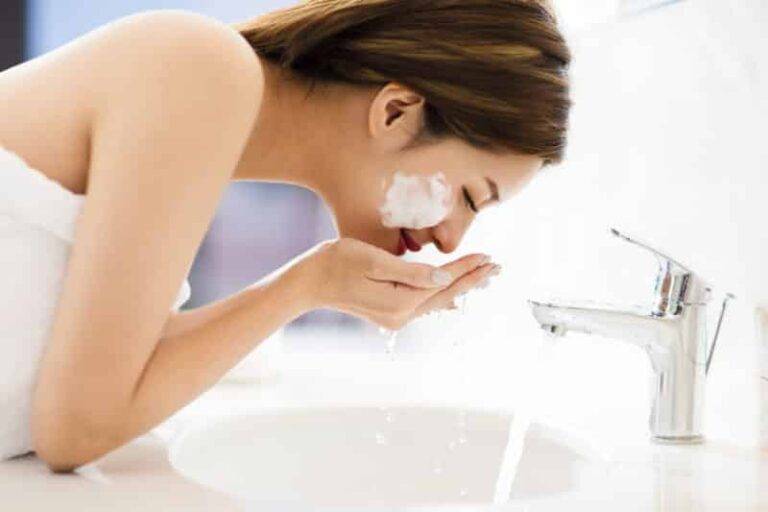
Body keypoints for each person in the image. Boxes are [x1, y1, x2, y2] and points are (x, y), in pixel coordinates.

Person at [0, 0, 571, 472]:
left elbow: (95, 383)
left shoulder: (200, 115)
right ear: (396, 112)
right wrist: (307, 284)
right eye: (470, 197)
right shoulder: (201, 67)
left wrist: (315, 286)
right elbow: (76, 428)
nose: (451, 241)